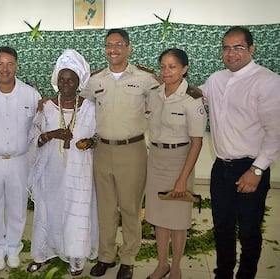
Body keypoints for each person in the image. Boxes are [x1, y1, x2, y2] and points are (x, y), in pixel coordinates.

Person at [200, 26, 280, 279]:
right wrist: (165, 81)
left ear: (251, 49)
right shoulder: (216, 79)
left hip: (250, 168)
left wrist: (257, 169)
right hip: (220, 168)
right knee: (222, 227)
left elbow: (275, 131)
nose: (231, 53)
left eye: (238, 47)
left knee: (248, 230)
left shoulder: (267, 81)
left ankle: (246, 274)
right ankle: (222, 273)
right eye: (226, 47)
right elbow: (196, 94)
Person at [81, 28, 159, 279]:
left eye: (119, 44)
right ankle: (106, 256)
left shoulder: (145, 78)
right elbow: (82, 108)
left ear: (129, 48)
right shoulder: (96, 80)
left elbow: (159, 106)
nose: (113, 49)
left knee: (130, 208)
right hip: (102, 150)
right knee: (105, 208)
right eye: (108, 45)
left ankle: (128, 258)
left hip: (133, 150)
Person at [27, 49, 98, 276]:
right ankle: (43, 253)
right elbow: (33, 140)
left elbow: (99, 136)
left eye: (71, 80)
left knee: (77, 213)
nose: (66, 84)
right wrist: (51, 135)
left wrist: (91, 142)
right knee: (48, 211)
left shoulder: (90, 108)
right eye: (62, 79)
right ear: (56, 81)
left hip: (81, 174)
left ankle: (76, 258)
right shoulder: (45, 107)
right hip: (51, 173)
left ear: (79, 82)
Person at [0, 46, 41, 271]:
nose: (5, 69)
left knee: (17, 205)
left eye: (10, 63)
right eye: (1, 63)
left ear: (17, 65)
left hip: (19, 160)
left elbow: (38, 127)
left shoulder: (30, 94)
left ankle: (13, 247)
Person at [144, 48, 206, 279]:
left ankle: (176, 267)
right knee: (160, 218)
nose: (166, 71)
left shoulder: (192, 99)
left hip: (180, 160)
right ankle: (162, 264)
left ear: (184, 68)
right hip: (156, 159)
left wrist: (182, 179)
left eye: (172, 66)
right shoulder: (154, 93)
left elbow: (197, 143)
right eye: (163, 66)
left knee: (178, 220)